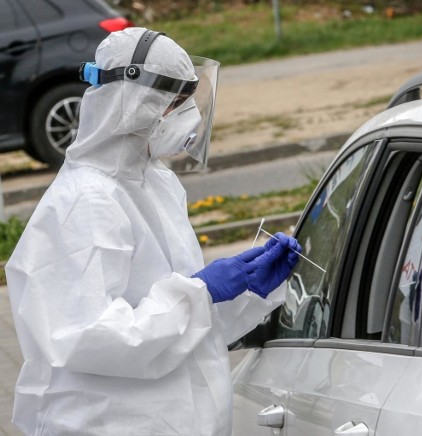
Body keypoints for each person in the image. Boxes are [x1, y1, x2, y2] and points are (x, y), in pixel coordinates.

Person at [5, 27, 300, 435]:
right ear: (133, 102)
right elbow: (92, 338)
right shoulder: (84, 202)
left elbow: (180, 325)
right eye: (177, 102)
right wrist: (202, 292)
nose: (189, 116)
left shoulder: (154, 184)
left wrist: (246, 292)